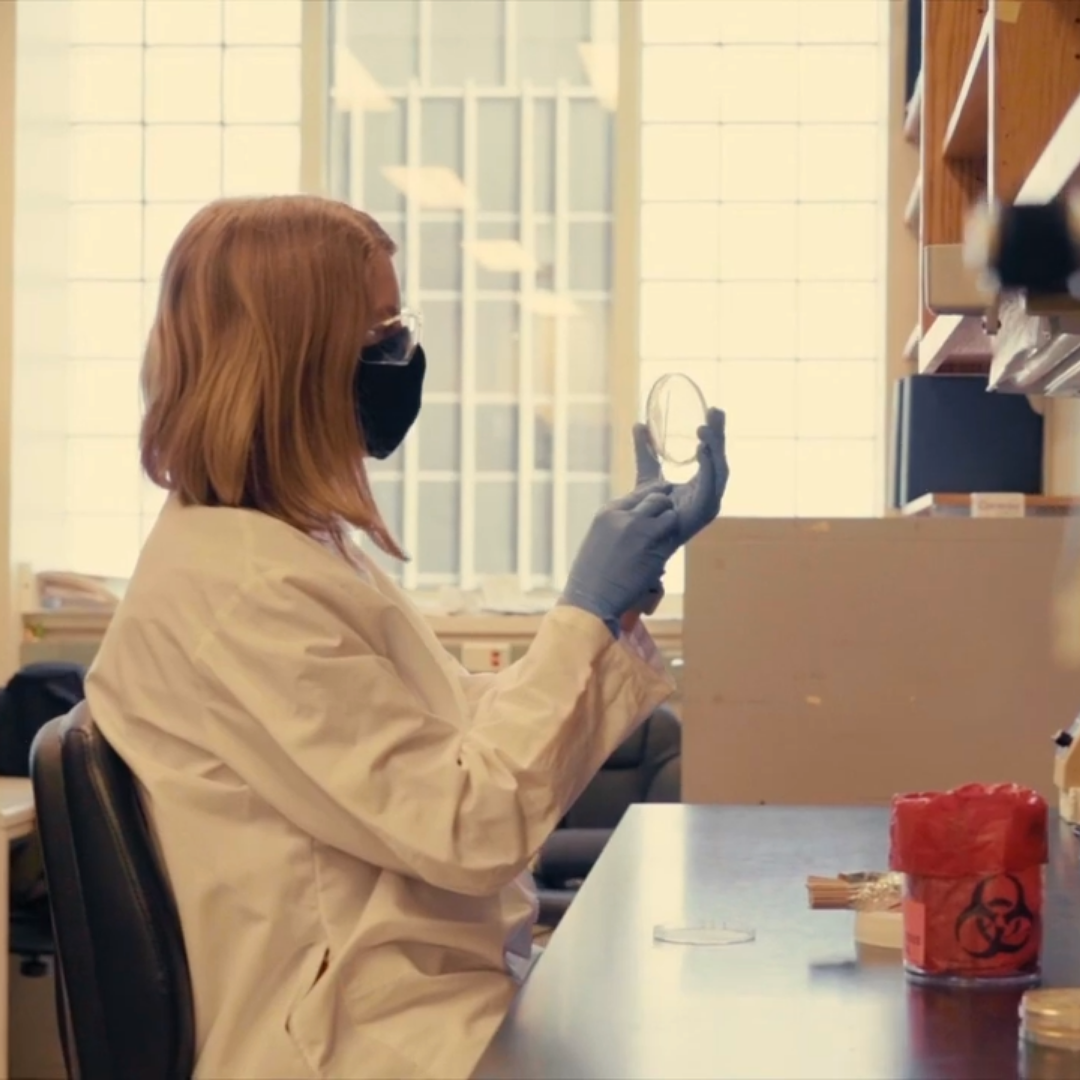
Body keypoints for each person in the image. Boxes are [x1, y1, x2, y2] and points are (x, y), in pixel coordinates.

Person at [85, 195, 728, 1080]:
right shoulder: (241, 589)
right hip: (359, 1041)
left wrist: (604, 614)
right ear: (298, 366)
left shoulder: (285, 549)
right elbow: (467, 826)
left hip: (412, 1002)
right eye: (380, 338)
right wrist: (581, 612)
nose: (404, 359)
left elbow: (449, 735)